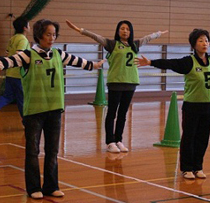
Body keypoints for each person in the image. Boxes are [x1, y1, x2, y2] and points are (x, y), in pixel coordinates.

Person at [0, 19, 105, 199]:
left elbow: (81, 62)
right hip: (34, 112)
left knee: (52, 151)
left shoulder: (59, 54)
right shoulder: (28, 55)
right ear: (38, 35)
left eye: (54, 34)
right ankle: (33, 188)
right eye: (48, 34)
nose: (52, 38)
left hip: (55, 109)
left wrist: (96, 65)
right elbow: (6, 62)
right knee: (32, 151)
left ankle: (51, 186)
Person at [137, 29, 210, 180]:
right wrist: (150, 62)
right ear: (194, 44)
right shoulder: (189, 62)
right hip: (192, 106)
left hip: (208, 106)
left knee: (202, 139)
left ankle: (198, 167)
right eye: (201, 40)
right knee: (189, 138)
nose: (205, 43)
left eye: (207, 40)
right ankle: (186, 168)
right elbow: (171, 63)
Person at [66, 20, 167, 153]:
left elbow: (147, 38)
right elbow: (96, 37)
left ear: (130, 32)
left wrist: (159, 33)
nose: (125, 31)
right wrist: (80, 30)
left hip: (131, 82)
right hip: (116, 82)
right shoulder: (112, 44)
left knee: (123, 113)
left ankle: (119, 139)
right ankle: (110, 141)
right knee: (112, 113)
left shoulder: (135, 45)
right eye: (122, 29)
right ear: (118, 31)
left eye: (127, 29)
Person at [0, 16, 31, 126]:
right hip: (20, 75)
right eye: (28, 25)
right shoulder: (23, 40)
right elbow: (19, 55)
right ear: (25, 28)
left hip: (9, 73)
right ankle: (28, 124)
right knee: (23, 100)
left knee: (7, 96)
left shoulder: (12, 39)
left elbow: (6, 54)